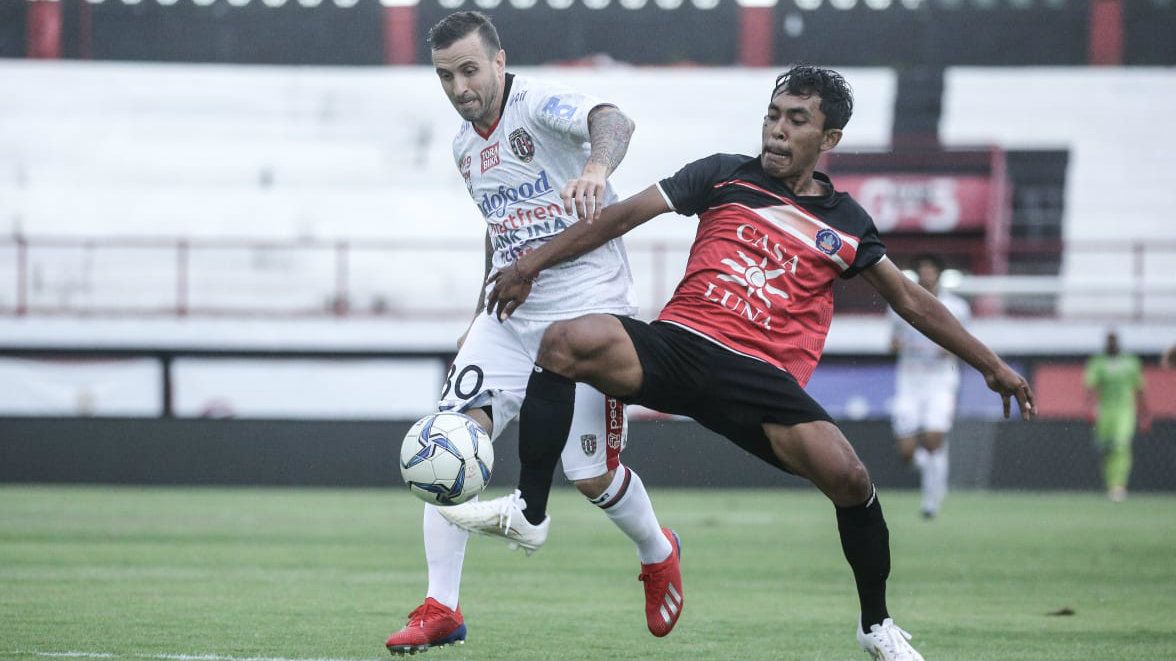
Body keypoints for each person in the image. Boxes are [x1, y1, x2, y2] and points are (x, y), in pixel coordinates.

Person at [441, 66, 1035, 661]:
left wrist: (990, 364)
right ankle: (531, 511)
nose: (777, 131)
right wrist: (529, 265)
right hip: (680, 345)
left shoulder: (847, 224)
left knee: (852, 481)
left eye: (796, 121)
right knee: (562, 342)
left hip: (762, 379)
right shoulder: (723, 174)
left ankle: (876, 626)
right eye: (773, 115)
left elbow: (909, 300)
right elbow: (621, 218)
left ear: (828, 139)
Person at [384, 11, 682, 655]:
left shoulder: (537, 103)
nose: (460, 87)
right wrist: (475, 318)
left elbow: (613, 119)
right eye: (445, 75)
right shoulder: (464, 148)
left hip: (586, 317)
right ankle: (442, 607)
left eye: (469, 70)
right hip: (508, 318)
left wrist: (598, 169)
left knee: (592, 476)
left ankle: (659, 553)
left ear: (498, 61)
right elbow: (500, 229)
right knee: (447, 441)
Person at [888, 254, 971, 519]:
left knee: (934, 440)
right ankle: (935, 468)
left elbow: (963, 344)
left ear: (938, 274)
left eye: (930, 271)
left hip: (940, 380)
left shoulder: (956, 307)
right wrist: (899, 346)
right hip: (909, 381)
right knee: (907, 452)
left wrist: (949, 350)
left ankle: (931, 501)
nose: (926, 275)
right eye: (922, 270)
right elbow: (893, 342)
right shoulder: (899, 304)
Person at [1084, 330, 1149, 502]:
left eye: (1114, 341)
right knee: (1106, 449)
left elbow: (1140, 390)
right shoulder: (1098, 363)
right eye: (1109, 341)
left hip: (1124, 411)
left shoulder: (1131, 363)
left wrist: (1144, 414)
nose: (1111, 344)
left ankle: (1118, 486)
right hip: (1105, 411)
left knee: (1121, 446)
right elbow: (1090, 388)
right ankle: (1110, 484)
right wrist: (1090, 408)